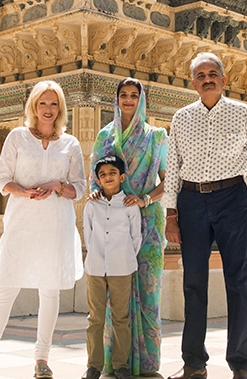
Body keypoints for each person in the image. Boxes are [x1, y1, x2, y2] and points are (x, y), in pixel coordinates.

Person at [0, 80, 86, 379]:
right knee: (6, 288)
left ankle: (42, 359)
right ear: (33, 106)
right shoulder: (18, 137)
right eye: (43, 103)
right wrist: (23, 191)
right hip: (22, 223)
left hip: (56, 225)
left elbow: (79, 188)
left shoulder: (70, 143)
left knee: (50, 291)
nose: (48, 109)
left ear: (61, 108)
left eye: (54, 104)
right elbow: (1, 179)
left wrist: (57, 186)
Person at [163, 53, 247, 379]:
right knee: (194, 283)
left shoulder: (243, 114)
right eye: (201, 75)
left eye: (213, 74)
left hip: (231, 202)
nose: (207, 79)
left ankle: (241, 364)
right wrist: (171, 214)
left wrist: (236, 184)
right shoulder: (181, 118)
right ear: (193, 83)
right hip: (192, 202)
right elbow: (173, 168)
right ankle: (194, 363)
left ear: (223, 80)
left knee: (238, 281)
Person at [89, 78, 168, 376]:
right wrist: (96, 193)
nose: (129, 100)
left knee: (149, 295)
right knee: (113, 300)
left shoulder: (156, 137)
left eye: (134, 95)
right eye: (124, 95)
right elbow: (95, 178)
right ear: (117, 98)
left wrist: (145, 199)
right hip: (113, 224)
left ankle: (147, 363)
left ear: (141, 99)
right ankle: (116, 362)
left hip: (147, 224)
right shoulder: (105, 136)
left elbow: (168, 180)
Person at [82, 155, 142, 379]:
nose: (108, 177)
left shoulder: (129, 205)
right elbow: (88, 234)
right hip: (95, 268)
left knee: (120, 318)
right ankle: (93, 365)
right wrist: (97, 256)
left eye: (112, 173)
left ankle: (121, 365)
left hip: (121, 268)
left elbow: (135, 238)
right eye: (103, 175)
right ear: (98, 180)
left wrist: (123, 257)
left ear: (122, 177)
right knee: (95, 318)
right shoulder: (92, 204)